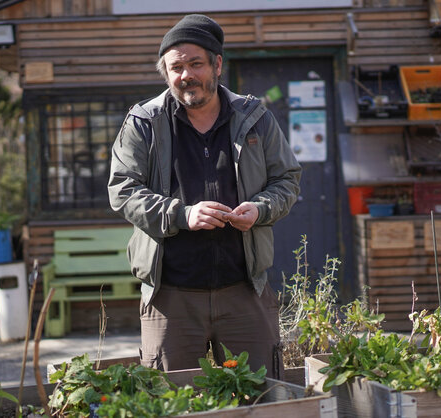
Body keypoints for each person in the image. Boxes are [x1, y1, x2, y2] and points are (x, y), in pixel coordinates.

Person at [107, 14, 301, 378]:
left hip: (245, 291)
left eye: (195, 63)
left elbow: (287, 179)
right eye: (176, 67)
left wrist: (260, 210)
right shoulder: (144, 122)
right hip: (171, 297)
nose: (186, 75)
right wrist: (181, 214)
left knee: (259, 398)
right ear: (165, 72)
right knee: (172, 404)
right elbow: (122, 189)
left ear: (217, 65)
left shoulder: (254, 117)